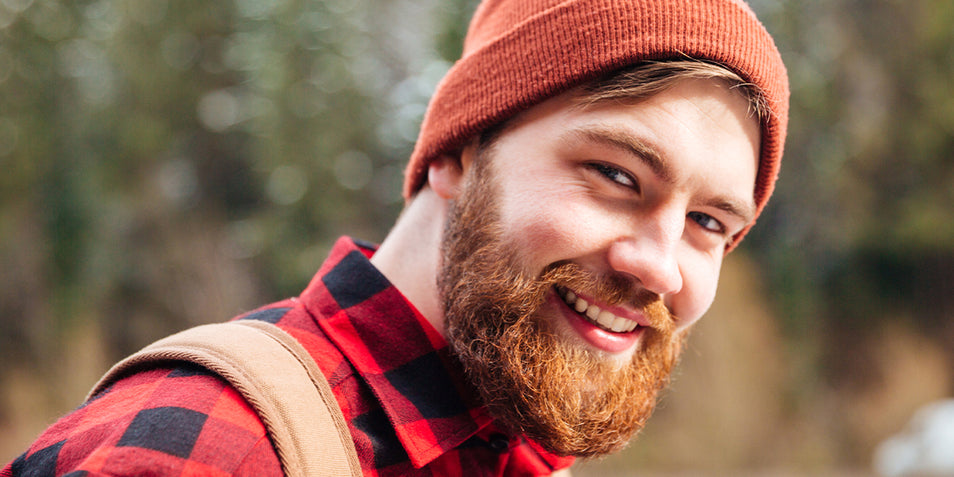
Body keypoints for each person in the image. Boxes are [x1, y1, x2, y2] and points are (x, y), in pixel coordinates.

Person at [3, 0, 788, 475]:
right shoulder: (211, 453)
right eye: (616, 175)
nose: (657, 264)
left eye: (709, 222)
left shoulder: (507, 450)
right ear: (457, 149)